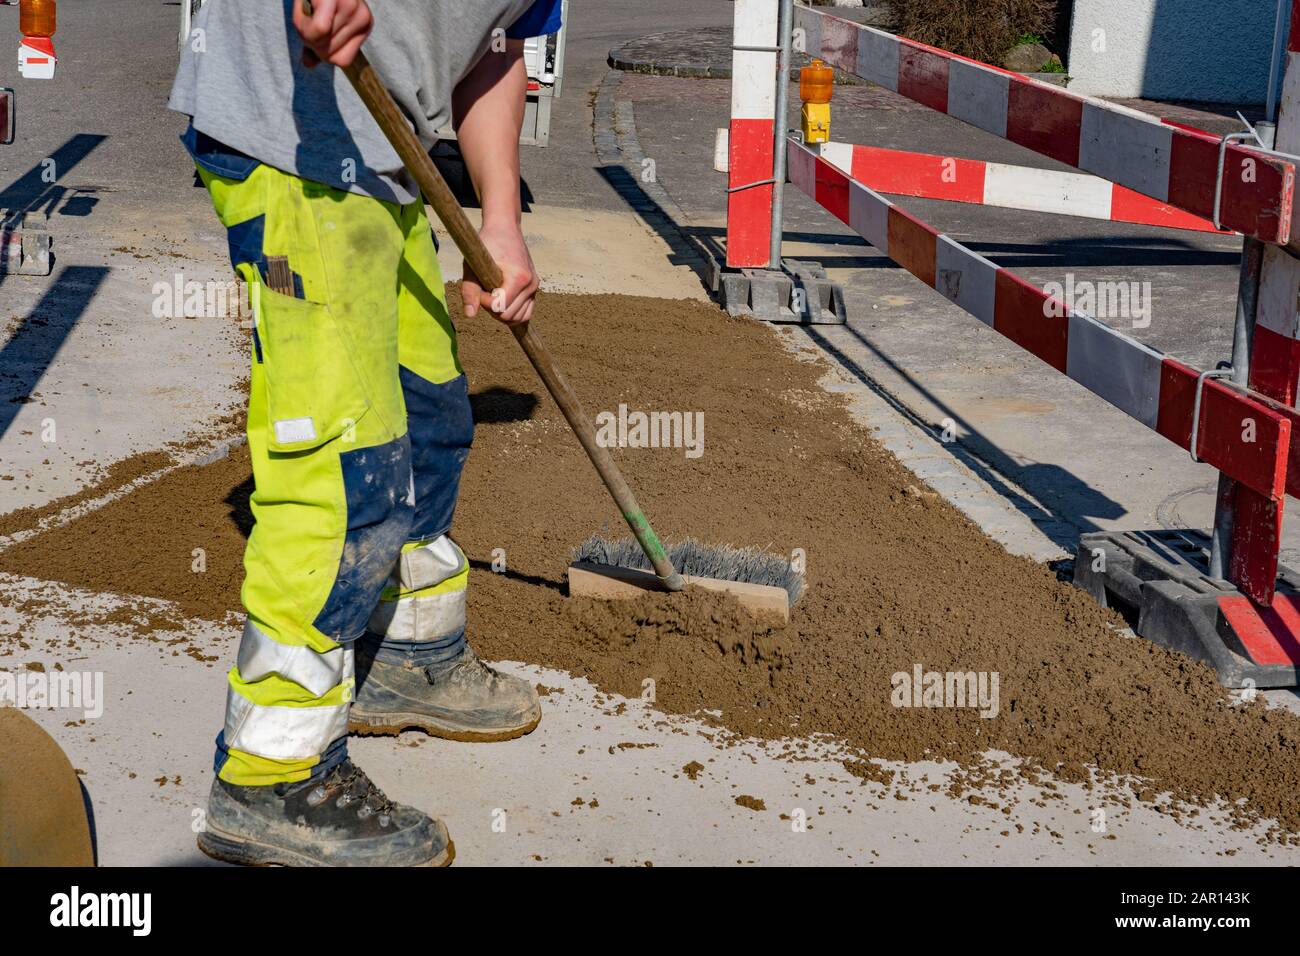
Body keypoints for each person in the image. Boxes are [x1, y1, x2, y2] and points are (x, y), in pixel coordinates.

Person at [169, 0, 560, 867]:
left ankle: (406, 652)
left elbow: (496, 48)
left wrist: (501, 218)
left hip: (392, 165)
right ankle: (272, 774)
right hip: (291, 142)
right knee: (345, 469)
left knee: (428, 417)